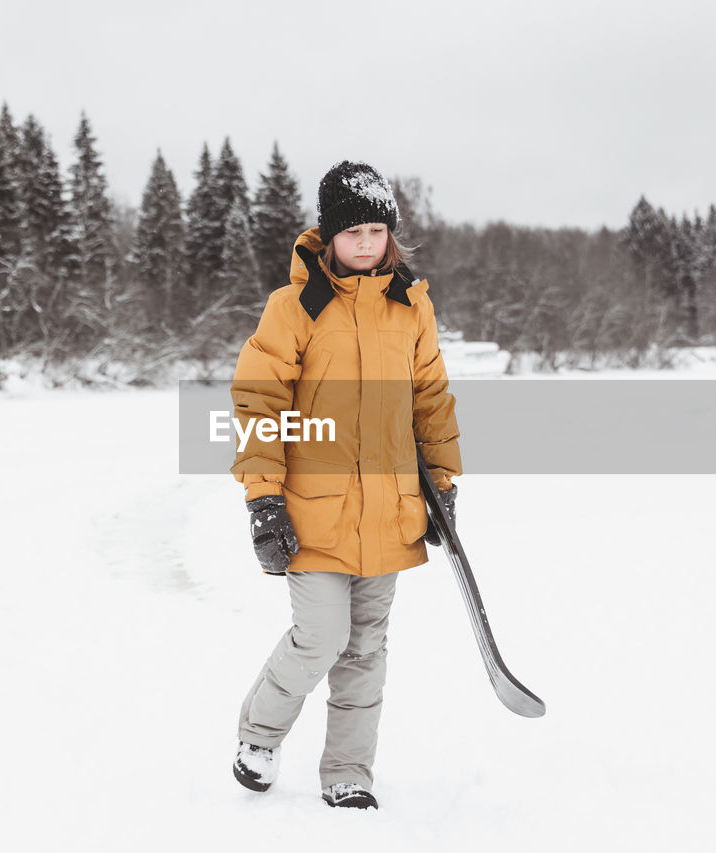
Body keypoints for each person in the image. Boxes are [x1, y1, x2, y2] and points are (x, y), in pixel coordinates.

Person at [228, 161, 461, 810]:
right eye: (352, 230)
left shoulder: (411, 305)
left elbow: (431, 398)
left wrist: (441, 482)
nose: (365, 242)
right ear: (328, 236)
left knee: (365, 651)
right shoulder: (298, 306)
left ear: (392, 235)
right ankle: (260, 736)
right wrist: (264, 498)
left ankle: (348, 769)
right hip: (312, 514)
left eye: (376, 230)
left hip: (389, 514)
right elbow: (258, 401)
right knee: (320, 637)